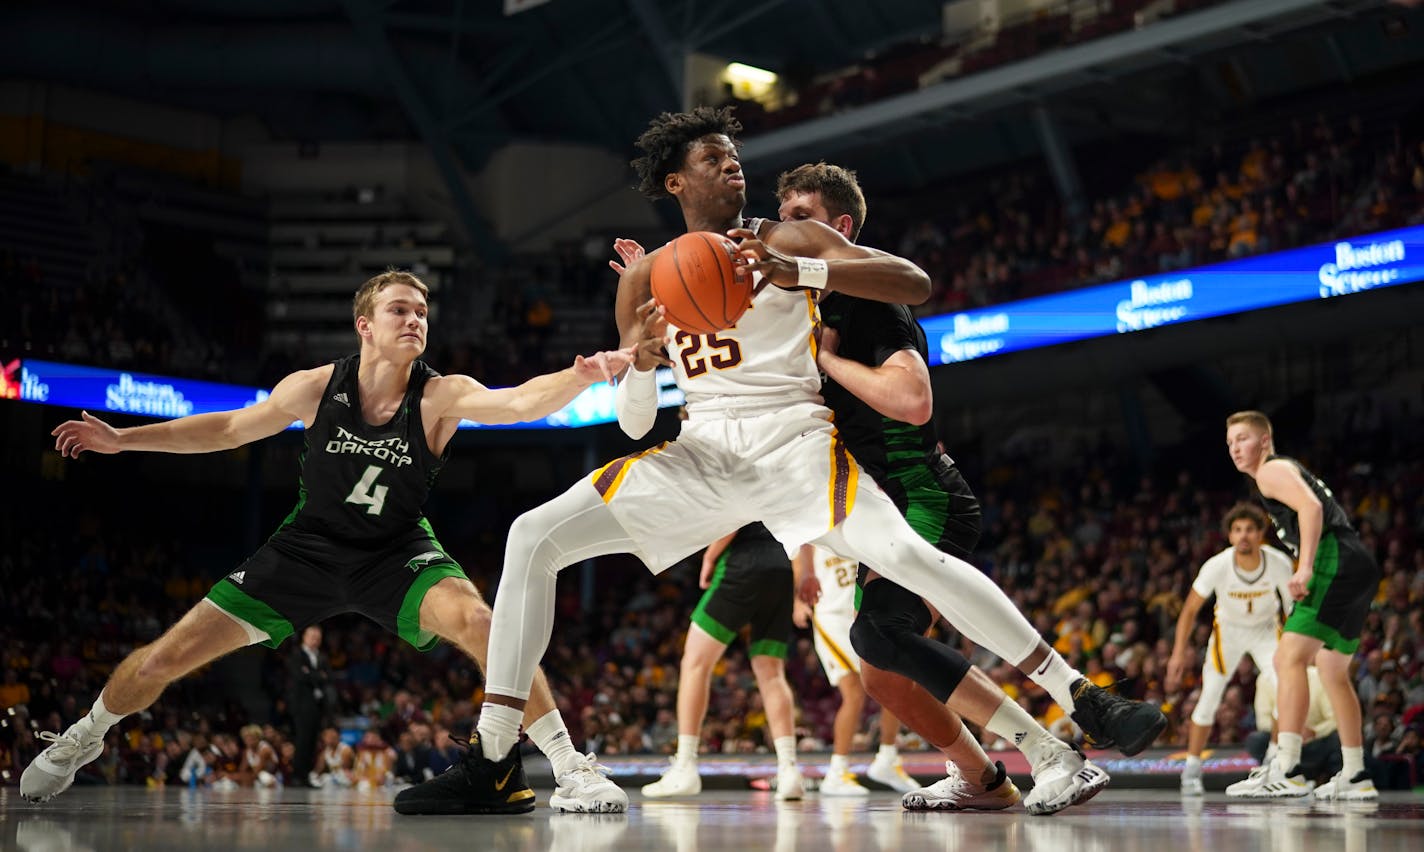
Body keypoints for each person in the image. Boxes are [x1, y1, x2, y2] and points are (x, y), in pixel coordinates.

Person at [396, 106, 1159, 817]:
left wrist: (809, 274)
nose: (734, 169)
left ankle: (1077, 698)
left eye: (735, 158)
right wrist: (640, 362)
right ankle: (498, 755)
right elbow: (633, 424)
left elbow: (916, 282)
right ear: (675, 182)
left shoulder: (787, 239)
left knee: (905, 556)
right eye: (714, 159)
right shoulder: (644, 274)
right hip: (704, 448)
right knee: (533, 534)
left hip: (796, 439)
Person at [22, 270, 635, 815]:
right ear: (364, 325)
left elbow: (517, 403)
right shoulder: (316, 387)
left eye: (422, 311)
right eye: (400, 309)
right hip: (305, 550)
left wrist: (578, 377)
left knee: (482, 620)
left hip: (396, 551)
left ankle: (567, 764)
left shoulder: (439, 394)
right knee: (163, 660)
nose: (415, 320)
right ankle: (88, 732)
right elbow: (229, 429)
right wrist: (126, 441)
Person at [774, 161, 1127, 812]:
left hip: (923, 496)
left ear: (841, 228)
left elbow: (910, 400)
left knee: (877, 638)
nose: (785, 230)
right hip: (876, 507)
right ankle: (981, 779)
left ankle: (1056, 756)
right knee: (882, 676)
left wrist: (828, 362)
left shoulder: (869, 300)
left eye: (801, 218)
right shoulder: (810, 307)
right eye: (782, 217)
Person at [1221, 410, 1379, 800]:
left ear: (1263, 440)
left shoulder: (1270, 470)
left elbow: (1311, 509)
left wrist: (1305, 566)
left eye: (1241, 439)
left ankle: (1287, 767)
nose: (1235, 448)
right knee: (1331, 668)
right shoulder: (1278, 473)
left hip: (1334, 557)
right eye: (1229, 443)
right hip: (1358, 561)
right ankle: (1356, 774)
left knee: (1287, 657)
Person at [642, 523, 807, 800]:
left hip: (743, 561)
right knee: (771, 673)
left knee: (695, 663)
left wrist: (709, 557)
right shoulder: (787, 478)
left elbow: (735, 516)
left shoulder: (747, 476)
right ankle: (789, 769)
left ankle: (685, 766)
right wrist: (804, 576)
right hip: (782, 565)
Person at [1165, 502, 1294, 795]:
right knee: (1209, 698)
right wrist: (1177, 654)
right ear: (1230, 535)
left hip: (1266, 631)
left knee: (1284, 690)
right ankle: (1192, 770)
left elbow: (1293, 609)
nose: (1244, 535)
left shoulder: (1278, 563)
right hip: (1229, 633)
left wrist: (1296, 647)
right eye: (1237, 530)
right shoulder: (1217, 565)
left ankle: (1274, 763)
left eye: (1250, 529)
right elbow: (1188, 611)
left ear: (1261, 533)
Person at [792, 545, 917, 796]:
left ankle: (888, 757)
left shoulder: (860, 515)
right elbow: (798, 555)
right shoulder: (814, 521)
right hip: (831, 615)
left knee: (896, 681)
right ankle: (836, 773)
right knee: (854, 693)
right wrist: (797, 599)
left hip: (863, 612)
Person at [287, 625, 333, 787]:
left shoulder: (322, 657)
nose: (315, 640)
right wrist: (317, 675)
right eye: (312, 636)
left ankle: (306, 774)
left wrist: (311, 674)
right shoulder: (297, 654)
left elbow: (328, 677)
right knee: (302, 740)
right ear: (304, 637)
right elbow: (300, 676)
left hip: (317, 705)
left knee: (313, 741)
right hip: (302, 705)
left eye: (318, 637)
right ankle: (297, 775)